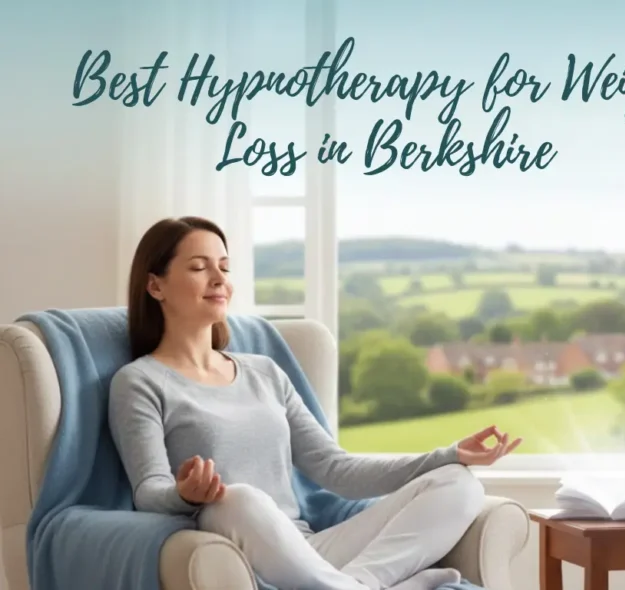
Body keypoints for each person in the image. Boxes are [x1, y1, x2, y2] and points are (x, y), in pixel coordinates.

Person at [108, 216, 523, 590]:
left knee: (459, 483)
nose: (219, 278)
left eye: (225, 266)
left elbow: (335, 469)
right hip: (229, 551)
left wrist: (450, 455)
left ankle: (358, 585)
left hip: (308, 552)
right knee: (239, 498)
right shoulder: (139, 381)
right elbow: (149, 492)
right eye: (199, 267)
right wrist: (186, 494)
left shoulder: (264, 372)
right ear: (155, 285)